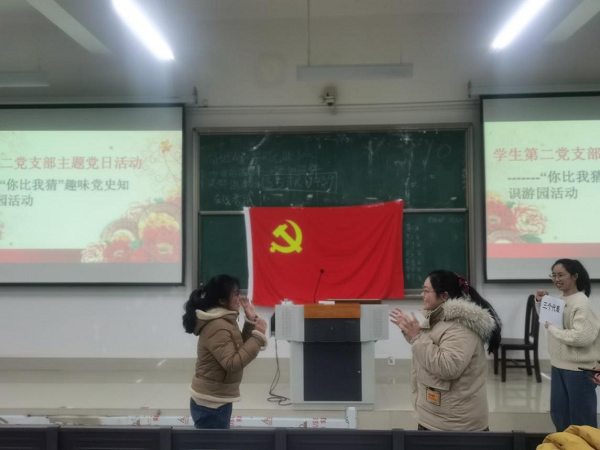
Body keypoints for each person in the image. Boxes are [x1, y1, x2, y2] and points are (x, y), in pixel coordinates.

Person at [390, 270, 501, 431]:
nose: (422, 294)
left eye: (426, 291)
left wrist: (416, 338)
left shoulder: (460, 327)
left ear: (444, 296)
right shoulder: (441, 318)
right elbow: (430, 346)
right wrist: (411, 333)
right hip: (440, 418)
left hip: (454, 427)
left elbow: (447, 367)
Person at [182, 274, 268, 429]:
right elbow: (232, 363)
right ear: (222, 301)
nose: (239, 298)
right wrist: (258, 336)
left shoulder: (224, 321)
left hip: (215, 400)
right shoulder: (217, 326)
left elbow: (238, 349)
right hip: (211, 405)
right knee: (214, 442)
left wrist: (250, 322)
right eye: (235, 294)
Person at [535, 259, 600, 432]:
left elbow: (581, 337)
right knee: (560, 417)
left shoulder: (581, 303)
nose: (556, 279)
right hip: (559, 366)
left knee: (582, 423)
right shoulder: (560, 299)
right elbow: (549, 322)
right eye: (553, 275)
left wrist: (552, 329)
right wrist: (540, 303)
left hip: (578, 370)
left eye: (561, 275)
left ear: (574, 276)